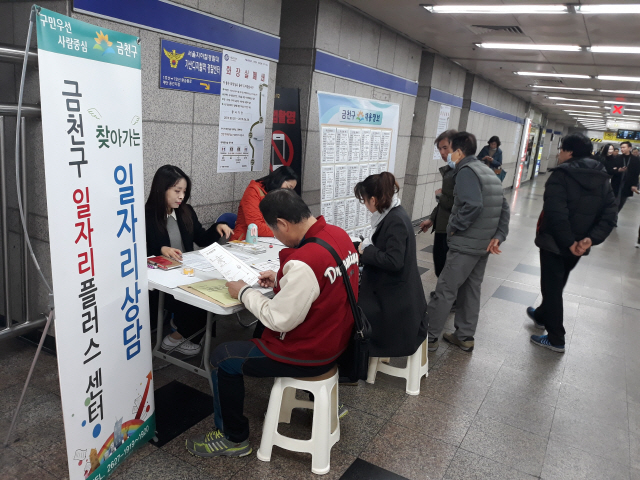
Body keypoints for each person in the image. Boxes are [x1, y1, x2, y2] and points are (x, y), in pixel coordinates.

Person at [186, 188, 358, 458]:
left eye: (274, 231)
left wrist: (243, 291)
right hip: (338, 341)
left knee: (222, 357)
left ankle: (233, 438)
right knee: (255, 332)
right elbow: (322, 286)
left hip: (310, 351)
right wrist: (281, 280)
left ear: (283, 224)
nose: (276, 237)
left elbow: (278, 320)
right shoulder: (338, 235)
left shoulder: (305, 262)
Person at [527, 133, 617, 352]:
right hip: (578, 246)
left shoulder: (561, 175)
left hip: (555, 243)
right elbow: (610, 215)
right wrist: (589, 240)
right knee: (558, 281)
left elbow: (556, 213)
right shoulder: (603, 178)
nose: (559, 153)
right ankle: (541, 315)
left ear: (570, 152)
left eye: (561, 149)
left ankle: (556, 338)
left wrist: (568, 242)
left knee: (552, 288)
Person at [427, 132, 510, 353]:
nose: (447, 154)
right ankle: (464, 336)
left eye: (449, 149)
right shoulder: (487, 170)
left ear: (459, 151)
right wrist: (499, 235)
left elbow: (472, 205)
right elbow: (504, 207)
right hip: (483, 245)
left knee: (445, 289)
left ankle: (429, 337)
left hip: (466, 243)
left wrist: (454, 225)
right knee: (471, 290)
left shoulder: (466, 171)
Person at [145, 165, 233, 355]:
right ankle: (176, 338)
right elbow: (140, 251)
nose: (181, 196)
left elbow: (200, 238)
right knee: (200, 301)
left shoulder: (186, 211)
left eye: (184, 191)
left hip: (187, 272)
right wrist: (161, 249)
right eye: (177, 191)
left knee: (216, 293)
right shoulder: (146, 215)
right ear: (161, 189)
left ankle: (183, 332)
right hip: (163, 281)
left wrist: (216, 228)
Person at [355, 172, 428, 358]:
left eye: (364, 200)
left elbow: (394, 261)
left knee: (353, 313)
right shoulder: (394, 213)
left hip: (396, 304)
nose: (365, 205)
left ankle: (357, 362)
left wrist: (367, 251)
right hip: (398, 294)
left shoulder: (395, 220)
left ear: (373, 199)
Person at [419, 130, 457, 279]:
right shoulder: (449, 171)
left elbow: (456, 203)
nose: (442, 152)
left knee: (446, 267)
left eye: (445, 148)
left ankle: (447, 299)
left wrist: (439, 196)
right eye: (439, 149)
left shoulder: (460, 172)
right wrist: (432, 219)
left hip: (451, 229)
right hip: (442, 225)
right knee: (439, 264)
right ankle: (443, 294)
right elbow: (445, 203)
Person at [230, 167, 299, 241]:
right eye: (288, 187)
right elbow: (256, 226)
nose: (287, 191)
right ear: (279, 180)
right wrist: (283, 234)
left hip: (269, 239)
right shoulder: (254, 191)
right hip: (245, 240)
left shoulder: (278, 195)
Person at [611, 141, 640, 212]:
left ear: (629, 148)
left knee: (621, 202)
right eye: (621, 147)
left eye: (624, 147)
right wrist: (618, 170)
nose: (622, 149)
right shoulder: (617, 158)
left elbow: (636, 173)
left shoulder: (635, 160)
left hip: (627, 184)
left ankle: (614, 217)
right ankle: (611, 217)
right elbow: (612, 170)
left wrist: (634, 185)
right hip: (616, 182)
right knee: (612, 202)